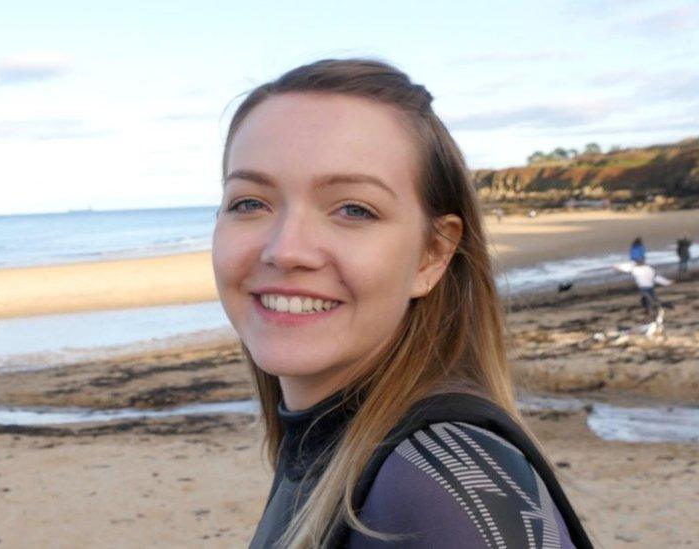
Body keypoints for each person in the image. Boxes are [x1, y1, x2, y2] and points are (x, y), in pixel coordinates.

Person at [212, 59, 591, 548]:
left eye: (353, 209)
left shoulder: (440, 488)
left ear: (433, 254)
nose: (286, 250)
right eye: (250, 202)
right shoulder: (331, 449)